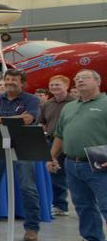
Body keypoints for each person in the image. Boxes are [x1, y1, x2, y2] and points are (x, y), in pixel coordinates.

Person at [0, 69, 42, 241]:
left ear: (22, 82)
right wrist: (2, 120)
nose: (10, 82)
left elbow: (28, 119)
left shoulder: (32, 100)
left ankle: (32, 228)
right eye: (7, 79)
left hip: (24, 147)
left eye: (14, 79)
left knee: (27, 187)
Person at [50, 69, 107, 241]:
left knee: (106, 204)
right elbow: (60, 134)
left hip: (99, 159)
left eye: (85, 78)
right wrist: (51, 155)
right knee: (83, 204)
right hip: (72, 162)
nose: (80, 81)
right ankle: (93, 240)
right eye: (77, 79)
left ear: (97, 81)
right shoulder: (70, 107)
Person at [39, 75, 72, 216]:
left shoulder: (74, 102)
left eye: (57, 85)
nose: (54, 87)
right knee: (56, 174)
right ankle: (59, 205)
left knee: (66, 174)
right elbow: (42, 121)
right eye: (52, 85)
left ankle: (62, 204)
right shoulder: (47, 104)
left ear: (66, 86)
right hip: (52, 141)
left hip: (69, 142)